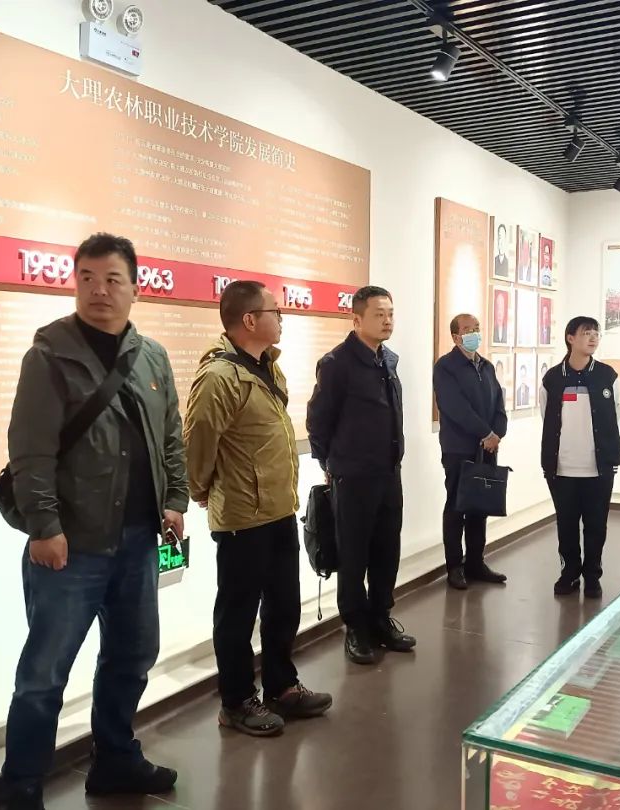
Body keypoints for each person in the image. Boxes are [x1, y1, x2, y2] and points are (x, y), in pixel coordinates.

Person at [2, 233, 188, 810]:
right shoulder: (49, 355)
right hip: (71, 544)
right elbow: (30, 451)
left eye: (111, 280)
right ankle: (21, 788)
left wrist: (176, 498)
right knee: (44, 674)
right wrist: (44, 527)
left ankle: (115, 760)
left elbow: (171, 436)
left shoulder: (152, 356)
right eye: (86, 278)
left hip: (138, 540)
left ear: (135, 288)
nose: (98, 290)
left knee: (133, 656)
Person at [183, 280, 332, 739]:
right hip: (242, 517)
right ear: (250, 320)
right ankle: (236, 701)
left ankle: (282, 687)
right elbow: (198, 442)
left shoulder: (267, 366)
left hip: (278, 509)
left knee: (284, 605)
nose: (281, 318)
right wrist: (200, 489)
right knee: (238, 612)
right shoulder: (218, 377)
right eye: (275, 311)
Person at [306, 286, 416, 665]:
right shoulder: (337, 364)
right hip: (352, 477)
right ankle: (355, 627)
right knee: (353, 555)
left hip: (388, 473)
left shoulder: (387, 360)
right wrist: (330, 463)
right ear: (357, 320)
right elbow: (318, 422)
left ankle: (381, 618)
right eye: (378, 314)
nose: (387, 321)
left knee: (387, 550)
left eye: (390, 314)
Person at [539, 316, 620, 600]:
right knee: (566, 525)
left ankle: (593, 576)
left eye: (596, 333)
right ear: (570, 338)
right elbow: (547, 417)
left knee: (596, 525)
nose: (593, 337)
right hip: (562, 467)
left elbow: (616, 415)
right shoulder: (552, 379)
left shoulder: (608, 376)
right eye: (587, 333)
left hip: (598, 467)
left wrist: (606, 451)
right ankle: (570, 573)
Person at [432, 313, 509, 590]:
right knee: (457, 506)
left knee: (480, 506)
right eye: (467, 329)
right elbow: (455, 407)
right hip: (458, 449)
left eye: (476, 328)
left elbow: (499, 404)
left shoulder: (486, 366)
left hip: (487, 448)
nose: (474, 333)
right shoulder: (445, 367)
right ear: (456, 337)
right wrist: (485, 433)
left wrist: (497, 433)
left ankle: (476, 563)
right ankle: (455, 567)